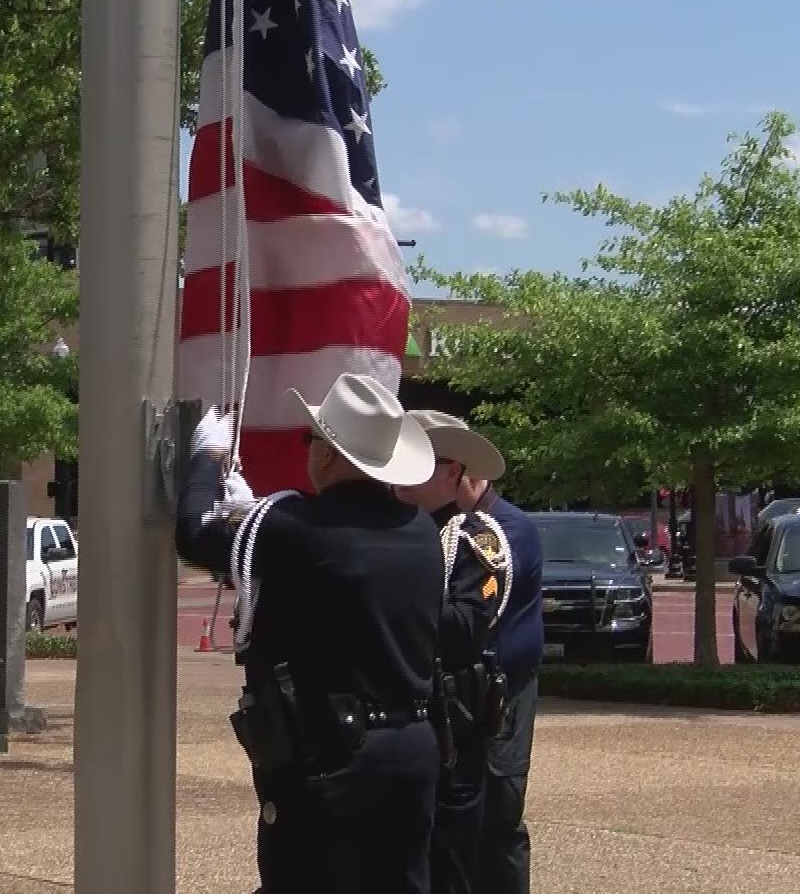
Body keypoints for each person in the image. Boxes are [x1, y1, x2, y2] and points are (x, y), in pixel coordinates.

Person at [175, 372, 446, 894]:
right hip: (410, 745)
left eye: (311, 440)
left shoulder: (296, 524)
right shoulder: (420, 530)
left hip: (332, 749)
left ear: (330, 455)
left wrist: (207, 463)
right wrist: (253, 518)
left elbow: (191, 534)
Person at [412, 414, 544, 894]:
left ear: (457, 472)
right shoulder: (435, 527)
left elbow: (469, 617)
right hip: (455, 694)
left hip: (500, 693)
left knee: (500, 814)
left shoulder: (503, 531)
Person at [397, 411, 511, 894]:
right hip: (388, 723)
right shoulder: (383, 529)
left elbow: (465, 629)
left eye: (419, 461)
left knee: (447, 864)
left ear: (450, 473)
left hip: (450, 727)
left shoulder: (473, 538)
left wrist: (392, 592)